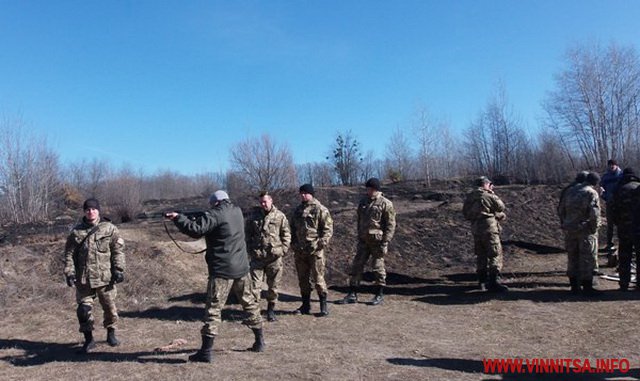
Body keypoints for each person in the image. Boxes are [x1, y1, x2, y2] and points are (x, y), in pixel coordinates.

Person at [165, 190, 263, 363]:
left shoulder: (216, 213)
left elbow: (196, 230)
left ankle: (206, 352)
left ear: (216, 203)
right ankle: (259, 341)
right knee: (250, 304)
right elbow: (216, 229)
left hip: (222, 270)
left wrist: (178, 218)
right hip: (241, 268)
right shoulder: (237, 211)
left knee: (213, 311)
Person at [63, 198, 126, 354]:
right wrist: (69, 272)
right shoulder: (76, 232)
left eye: (93, 209)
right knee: (83, 311)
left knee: (110, 308)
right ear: (84, 212)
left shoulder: (109, 229)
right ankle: (89, 340)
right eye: (87, 210)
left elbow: (117, 251)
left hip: (105, 278)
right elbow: (69, 254)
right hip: (84, 280)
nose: (90, 212)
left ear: (98, 210)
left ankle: (111, 333)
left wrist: (119, 269)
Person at [336, 178, 396, 306]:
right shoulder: (363, 202)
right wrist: (359, 235)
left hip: (377, 242)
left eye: (370, 189)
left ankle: (379, 294)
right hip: (363, 241)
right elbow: (359, 220)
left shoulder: (386, 204)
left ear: (376, 189)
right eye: (367, 189)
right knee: (356, 266)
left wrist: (385, 242)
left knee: (378, 268)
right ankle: (352, 294)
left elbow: (390, 225)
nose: (367, 191)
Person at [245, 191, 291, 322]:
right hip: (257, 257)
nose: (263, 204)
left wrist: (283, 250)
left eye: (265, 201)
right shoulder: (254, 217)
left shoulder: (280, 216)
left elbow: (286, 234)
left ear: (271, 201)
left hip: (274, 258)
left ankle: (271, 311)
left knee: (273, 287)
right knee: (254, 286)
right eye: (261, 202)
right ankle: (254, 312)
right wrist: (250, 249)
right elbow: (247, 234)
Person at [290, 184, 333, 316]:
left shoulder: (320, 209)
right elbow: (292, 229)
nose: (303, 195)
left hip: (315, 251)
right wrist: (294, 244)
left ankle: (323, 307)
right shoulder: (297, 211)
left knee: (318, 278)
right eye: (301, 193)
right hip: (300, 251)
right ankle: (305, 305)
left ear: (311, 194)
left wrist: (319, 244)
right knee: (303, 280)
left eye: (305, 193)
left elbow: (327, 230)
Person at [558, 172, 602, 295]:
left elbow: (561, 210)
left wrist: (565, 224)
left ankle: (574, 286)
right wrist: (594, 229)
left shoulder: (570, 191)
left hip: (569, 229)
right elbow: (595, 214)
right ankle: (587, 287)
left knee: (572, 257)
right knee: (587, 258)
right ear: (595, 182)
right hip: (585, 230)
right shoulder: (591, 193)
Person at [462, 176, 508, 292]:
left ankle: (482, 281)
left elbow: (466, 214)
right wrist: (491, 192)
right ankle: (494, 281)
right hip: (489, 228)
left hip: (476, 229)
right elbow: (501, 206)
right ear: (486, 184)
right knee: (494, 253)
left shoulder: (470, 197)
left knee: (481, 255)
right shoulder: (488, 195)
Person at [610, 168, 640, 291]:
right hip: (639, 228)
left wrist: (619, 223)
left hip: (624, 228)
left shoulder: (619, 189)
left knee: (624, 256)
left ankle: (624, 283)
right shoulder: (638, 187)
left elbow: (612, 210)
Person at [600, 159, 623, 261]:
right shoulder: (605, 176)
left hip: (620, 204)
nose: (611, 168)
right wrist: (604, 196)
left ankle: (622, 242)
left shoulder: (621, 175)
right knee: (610, 225)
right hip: (609, 203)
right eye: (609, 166)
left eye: (612, 166)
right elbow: (602, 188)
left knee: (621, 224)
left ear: (616, 166)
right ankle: (609, 243)